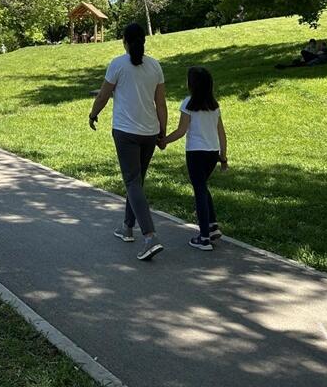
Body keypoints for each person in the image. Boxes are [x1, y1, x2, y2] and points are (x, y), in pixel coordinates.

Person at [88, 22, 168, 262]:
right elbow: (161, 103)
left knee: (132, 181)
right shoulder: (155, 66)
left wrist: (93, 114)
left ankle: (150, 236)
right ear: (143, 40)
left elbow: (103, 94)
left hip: (125, 131)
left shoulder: (118, 64)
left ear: (125, 41)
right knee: (137, 182)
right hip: (150, 132)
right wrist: (162, 131)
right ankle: (126, 227)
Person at [161, 66, 229, 251]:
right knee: (202, 187)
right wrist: (223, 156)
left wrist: (164, 140)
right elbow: (221, 133)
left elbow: (182, 131)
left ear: (192, 85)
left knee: (199, 191)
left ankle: (204, 237)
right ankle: (212, 226)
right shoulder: (214, 106)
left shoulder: (188, 103)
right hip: (212, 152)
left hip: (195, 153)